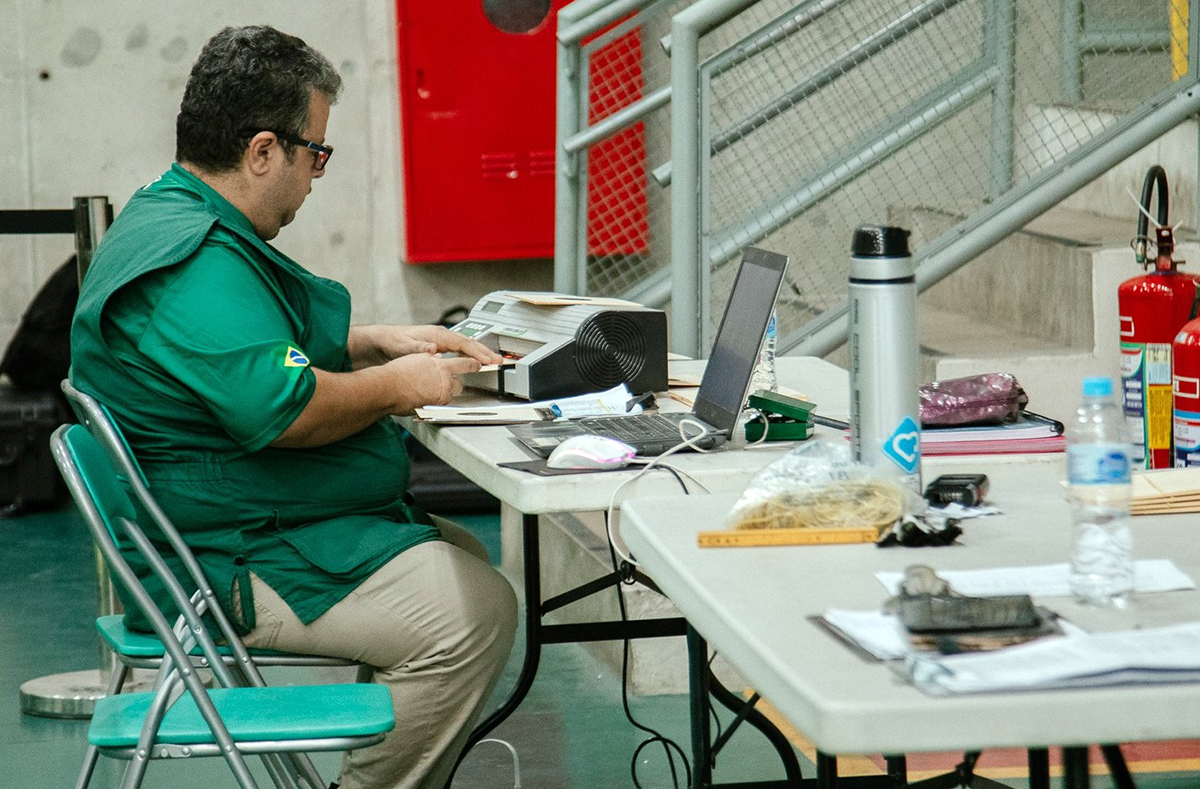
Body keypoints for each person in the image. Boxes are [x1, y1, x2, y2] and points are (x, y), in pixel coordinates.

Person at [70, 25, 517, 789]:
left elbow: (245, 356)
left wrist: (369, 344)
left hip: (234, 523)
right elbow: (286, 408)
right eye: (316, 154)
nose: (315, 177)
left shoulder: (172, 215)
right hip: (225, 556)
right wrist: (402, 384)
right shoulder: (190, 264)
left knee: (463, 556)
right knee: (473, 611)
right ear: (263, 150)